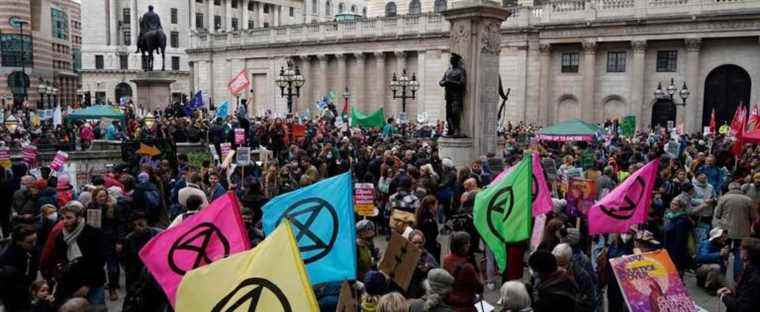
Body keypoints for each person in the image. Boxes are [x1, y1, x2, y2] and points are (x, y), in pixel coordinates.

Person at [53, 201, 107, 306]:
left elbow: (98, 262)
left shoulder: (93, 233)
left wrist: (87, 285)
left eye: (69, 218)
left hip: (93, 284)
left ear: (79, 218)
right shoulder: (60, 237)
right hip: (71, 285)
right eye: (62, 218)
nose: (65, 221)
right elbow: (60, 260)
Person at [713, 182, 756, 281]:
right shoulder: (748, 200)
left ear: (729, 188)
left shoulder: (723, 198)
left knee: (724, 252)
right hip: (743, 232)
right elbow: (753, 217)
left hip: (726, 232)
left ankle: (721, 278)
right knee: (738, 254)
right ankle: (737, 279)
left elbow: (717, 214)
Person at [0, 224, 38, 311]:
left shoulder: (31, 249)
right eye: (30, 242)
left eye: (35, 240)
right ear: (18, 241)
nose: (34, 244)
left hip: (26, 290)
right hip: (13, 294)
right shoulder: (7, 257)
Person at [443, 231, 483, 312]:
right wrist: (481, 274)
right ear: (461, 246)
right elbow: (479, 287)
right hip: (465, 304)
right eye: (467, 243)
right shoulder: (467, 267)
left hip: (450, 301)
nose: (469, 245)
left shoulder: (446, 259)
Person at [719, 238, 760, 312]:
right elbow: (745, 293)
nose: (739, 250)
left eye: (742, 249)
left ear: (747, 255)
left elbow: (742, 308)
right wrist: (732, 292)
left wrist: (723, 297)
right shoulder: (750, 269)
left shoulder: (754, 277)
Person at [552, 243, 595, 312]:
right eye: (556, 264)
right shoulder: (550, 273)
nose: (559, 268)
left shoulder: (582, 276)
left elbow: (590, 303)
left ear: (569, 261)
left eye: (562, 264)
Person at [663, 199, 693, 276]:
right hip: (667, 249)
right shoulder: (669, 217)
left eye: (675, 204)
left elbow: (680, 240)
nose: (672, 205)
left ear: (681, 207)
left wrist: (675, 255)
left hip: (676, 252)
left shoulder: (682, 221)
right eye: (672, 203)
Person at [695, 228, 729, 293]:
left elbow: (722, 264)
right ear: (716, 238)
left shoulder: (721, 245)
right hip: (701, 267)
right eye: (721, 237)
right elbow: (702, 257)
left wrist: (724, 259)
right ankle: (709, 287)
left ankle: (706, 281)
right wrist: (719, 254)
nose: (723, 239)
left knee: (728, 288)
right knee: (715, 267)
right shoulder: (706, 244)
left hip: (715, 271)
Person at [408, 230, 439, 299]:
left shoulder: (428, 256)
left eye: (420, 243)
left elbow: (436, 271)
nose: (417, 245)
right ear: (409, 242)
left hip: (422, 288)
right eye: (414, 243)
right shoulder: (405, 255)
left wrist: (427, 267)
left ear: (423, 242)